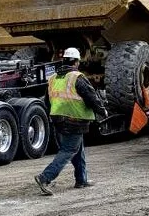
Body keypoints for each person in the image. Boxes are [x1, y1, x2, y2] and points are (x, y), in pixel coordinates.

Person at [34, 47, 108, 195]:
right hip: (74, 120)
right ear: (76, 62)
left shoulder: (53, 78)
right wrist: (102, 111)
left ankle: (81, 179)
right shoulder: (77, 77)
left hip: (58, 120)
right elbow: (91, 97)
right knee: (68, 150)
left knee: (77, 148)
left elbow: (48, 101)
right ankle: (45, 177)